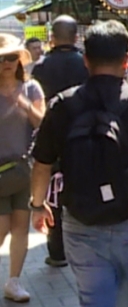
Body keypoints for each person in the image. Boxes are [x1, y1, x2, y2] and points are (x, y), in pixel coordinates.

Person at [30, 20, 128, 307]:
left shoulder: (62, 105)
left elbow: (42, 163)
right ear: (126, 60)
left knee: (94, 298)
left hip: (81, 217)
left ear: (86, 60)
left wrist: (37, 204)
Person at [30, 15, 88, 269]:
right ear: (76, 37)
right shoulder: (85, 63)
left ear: (52, 38)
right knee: (84, 186)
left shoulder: (41, 66)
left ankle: (57, 251)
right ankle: (83, 246)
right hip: (85, 133)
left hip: (52, 132)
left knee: (52, 193)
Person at [0, 35, 45, 302]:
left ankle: (14, 281)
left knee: (20, 227)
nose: (6, 63)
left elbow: (42, 124)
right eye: (1, 58)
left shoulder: (31, 88)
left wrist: (25, 105)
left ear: (19, 60)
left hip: (23, 169)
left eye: (11, 57)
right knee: (2, 227)